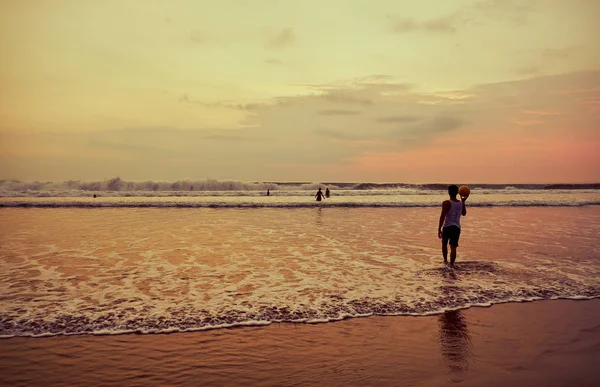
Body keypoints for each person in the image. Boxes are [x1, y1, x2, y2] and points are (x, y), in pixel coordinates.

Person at [438, 185, 467, 267]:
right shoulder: (461, 203)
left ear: (448, 192)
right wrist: (463, 202)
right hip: (457, 228)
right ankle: (451, 264)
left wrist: (439, 229)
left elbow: (442, 216)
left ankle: (445, 261)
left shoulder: (446, 203)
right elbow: (464, 213)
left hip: (447, 227)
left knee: (444, 244)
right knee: (453, 247)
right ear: (457, 192)